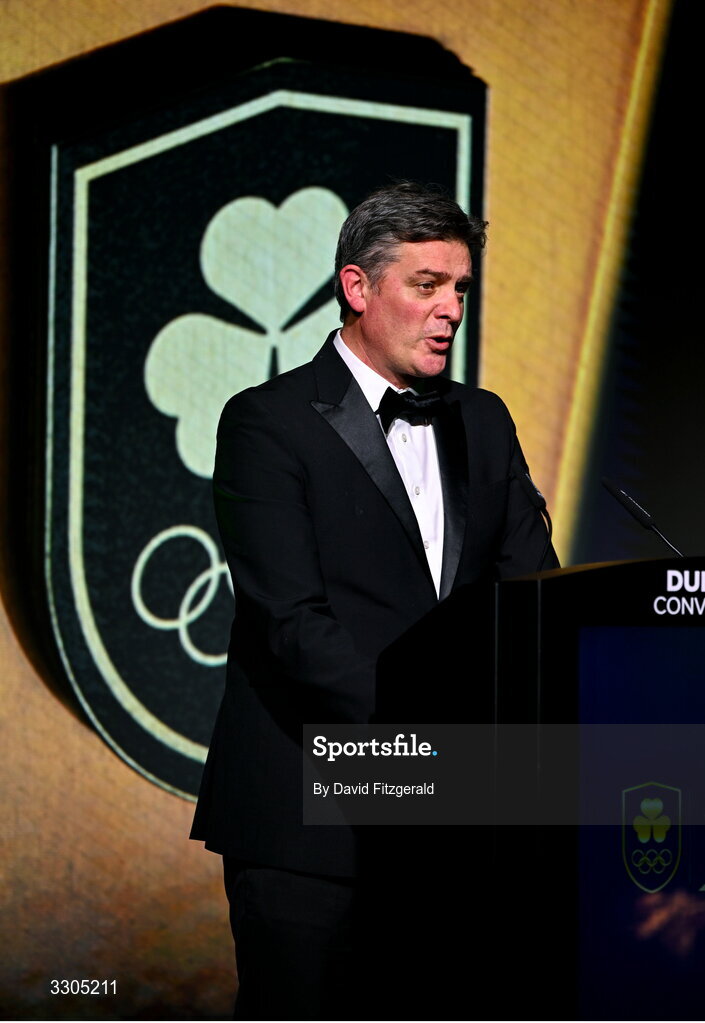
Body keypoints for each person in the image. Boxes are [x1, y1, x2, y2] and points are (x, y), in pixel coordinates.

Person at [191, 181, 559, 1019]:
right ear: (358, 288)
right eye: (425, 285)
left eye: (459, 287)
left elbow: (528, 597)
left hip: (451, 829)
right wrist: (435, 743)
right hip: (307, 821)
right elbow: (291, 627)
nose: (450, 309)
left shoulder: (483, 420)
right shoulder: (267, 422)